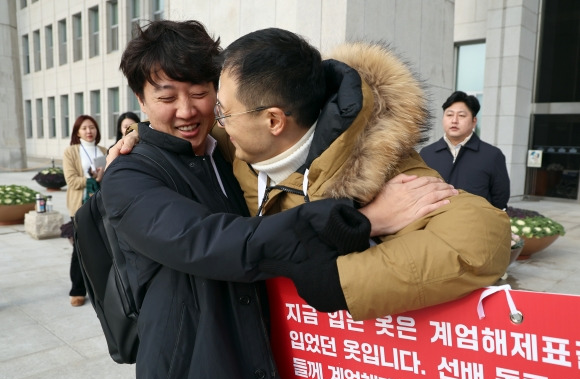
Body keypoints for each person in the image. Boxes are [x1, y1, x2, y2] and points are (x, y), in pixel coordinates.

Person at [101, 20, 444, 379]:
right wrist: (365, 219)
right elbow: (210, 241)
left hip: (262, 356)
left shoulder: (231, 152)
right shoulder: (129, 175)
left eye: (200, 93)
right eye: (166, 97)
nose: (187, 111)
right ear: (140, 98)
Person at [115, 28, 511, 321]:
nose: (203, 116)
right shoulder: (233, 145)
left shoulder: (376, 159)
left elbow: (481, 238)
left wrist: (335, 280)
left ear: (273, 120)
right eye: (167, 99)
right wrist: (142, 136)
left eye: (218, 108)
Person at [420, 90, 511, 209]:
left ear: (474, 122)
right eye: (449, 115)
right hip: (433, 224)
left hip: (474, 224)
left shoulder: (492, 155)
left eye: (462, 115)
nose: (454, 120)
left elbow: (500, 199)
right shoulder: (426, 154)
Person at [62, 115, 106, 307]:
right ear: (77, 132)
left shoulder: (104, 151)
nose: (89, 131)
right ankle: (77, 290)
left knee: (102, 247)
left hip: (101, 205)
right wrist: (94, 179)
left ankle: (102, 289)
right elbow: (71, 180)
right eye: (84, 128)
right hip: (80, 206)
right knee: (79, 249)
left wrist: (103, 177)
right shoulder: (71, 152)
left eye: (92, 127)